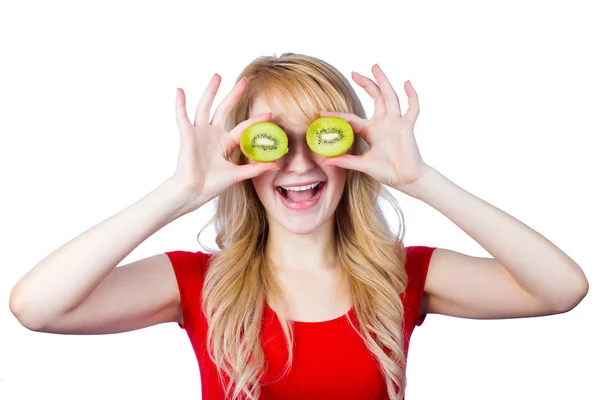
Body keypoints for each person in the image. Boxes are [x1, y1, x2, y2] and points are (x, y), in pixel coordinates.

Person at [9, 53, 589, 400]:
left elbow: (562, 289)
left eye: (318, 135)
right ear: (242, 158)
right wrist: (177, 194)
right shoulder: (196, 283)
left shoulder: (402, 275)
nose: (299, 162)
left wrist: (423, 181)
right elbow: (37, 308)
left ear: (350, 146)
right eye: (273, 139)